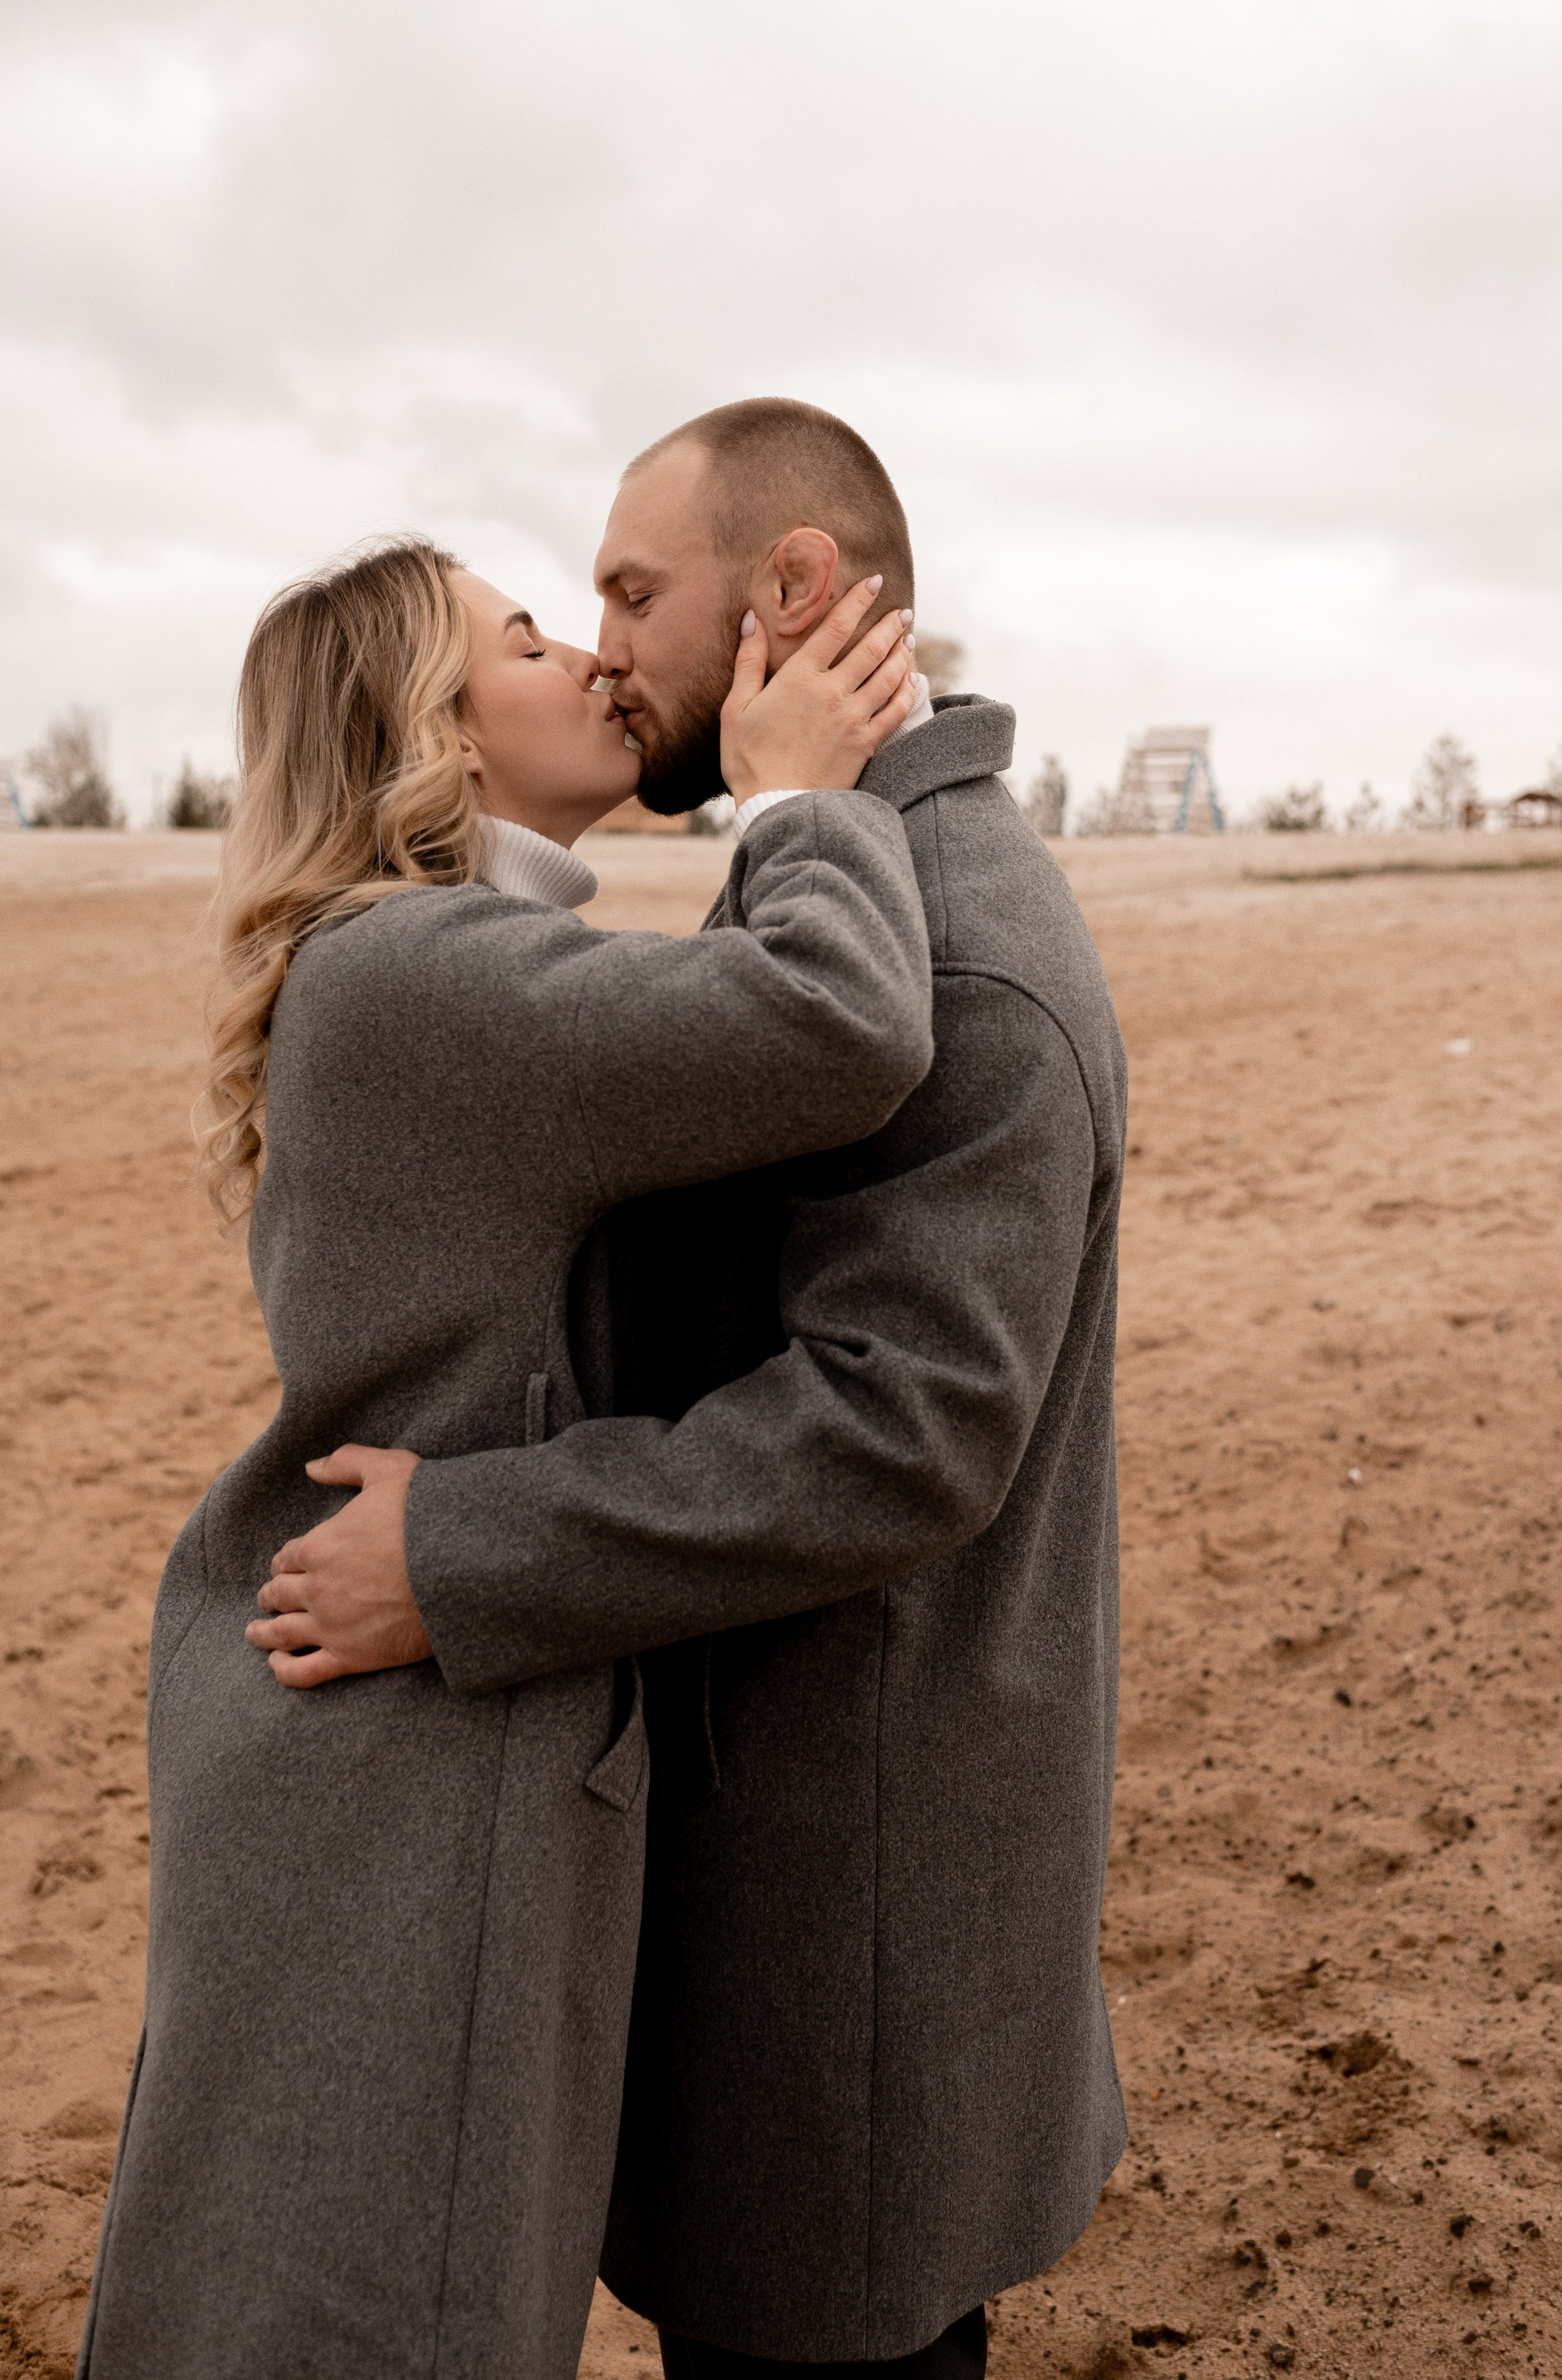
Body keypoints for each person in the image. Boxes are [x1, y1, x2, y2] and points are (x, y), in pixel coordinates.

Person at [261, 401, 1131, 2380]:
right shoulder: (859, 883)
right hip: (781, 1861)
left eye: (635, 593)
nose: (609, 642)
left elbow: (900, 1436)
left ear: (794, 593)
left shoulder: (965, 965)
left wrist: (464, 1549)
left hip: (851, 1924)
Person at [76, 534, 932, 2380]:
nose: (596, 663)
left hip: (392, 1731)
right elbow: (842, 1026)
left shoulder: (440, 964)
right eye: (531, 638)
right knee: (377, 2309)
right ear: (437, 735)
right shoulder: (418, 977)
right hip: (402, 1778)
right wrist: (795, 801)